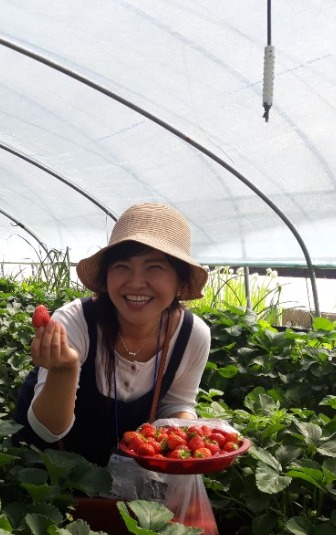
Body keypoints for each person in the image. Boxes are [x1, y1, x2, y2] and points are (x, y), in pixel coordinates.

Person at [12, 203, 211, 491]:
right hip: (48, 475)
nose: (136, 282)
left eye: (154, 267)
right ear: (107, 276)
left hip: (128, 476)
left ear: (180, 280)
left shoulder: (192, 335)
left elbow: (177, 404)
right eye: (122, 267)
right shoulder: (74, 322)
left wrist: (187, 435)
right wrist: (64, 370)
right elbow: (48, 430)